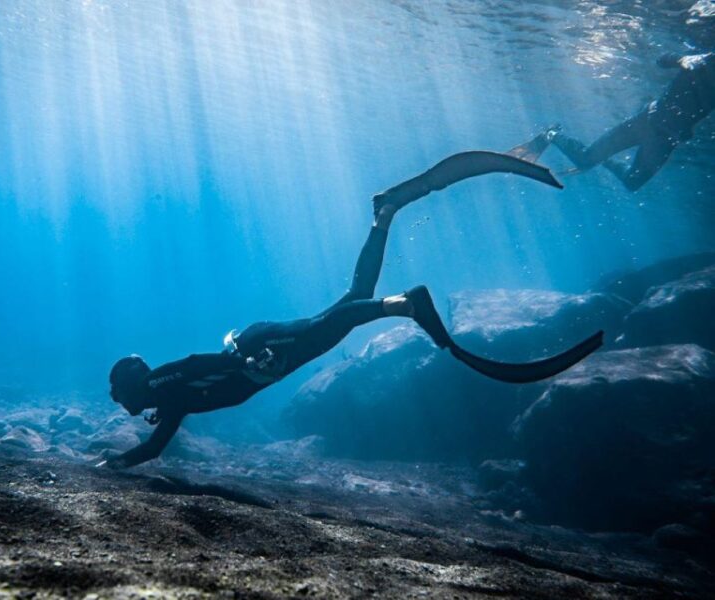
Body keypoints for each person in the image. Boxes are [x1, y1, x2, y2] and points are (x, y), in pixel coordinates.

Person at [100, 152, 603, 470]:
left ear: (130, 383)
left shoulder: (158, 384)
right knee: (352, 296)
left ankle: (404, 305)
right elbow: (154, 447)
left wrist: (243, 365)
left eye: (117, 391)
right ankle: (385, 214)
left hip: (263, 353)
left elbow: (192, 364)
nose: (118, 400)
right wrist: (117, 464)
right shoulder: (166, 403)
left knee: (329, 325)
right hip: (261, 357)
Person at [519, 52, 714, 191]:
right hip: (645, 122)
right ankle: (552, 134)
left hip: (667, 138)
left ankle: (602, 159)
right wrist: (680, 59)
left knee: (632, 183)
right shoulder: (705, 61)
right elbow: (661, 60)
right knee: (585, 159)